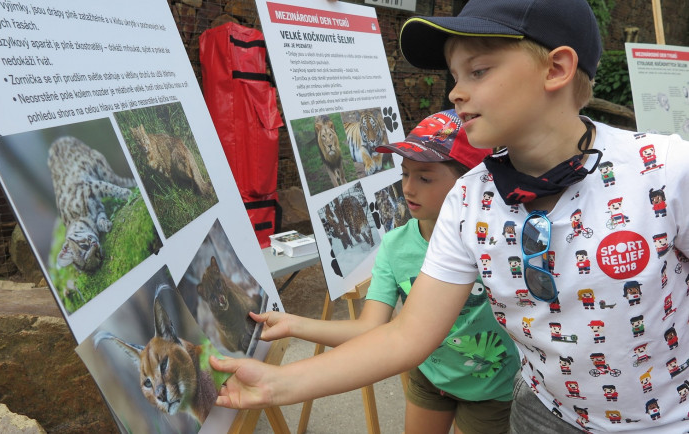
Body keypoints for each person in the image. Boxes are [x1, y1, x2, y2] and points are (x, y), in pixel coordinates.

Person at [211, 0, 689, 432]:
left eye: (478, 71)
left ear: (557, 69)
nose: (457, 93)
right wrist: (276, 384)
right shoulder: (469, 201)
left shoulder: (663, 171)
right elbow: (405, 335)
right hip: (542, 413)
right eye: (455, 76)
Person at [250, 109, 519, 434]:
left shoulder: (498, 245)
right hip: (428, 375)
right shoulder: (395, 245)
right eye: (404, 174)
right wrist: (293, 324)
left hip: (489, 391)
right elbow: (370, 328)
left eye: (424, 177)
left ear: (471, 181)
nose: (408, 188)